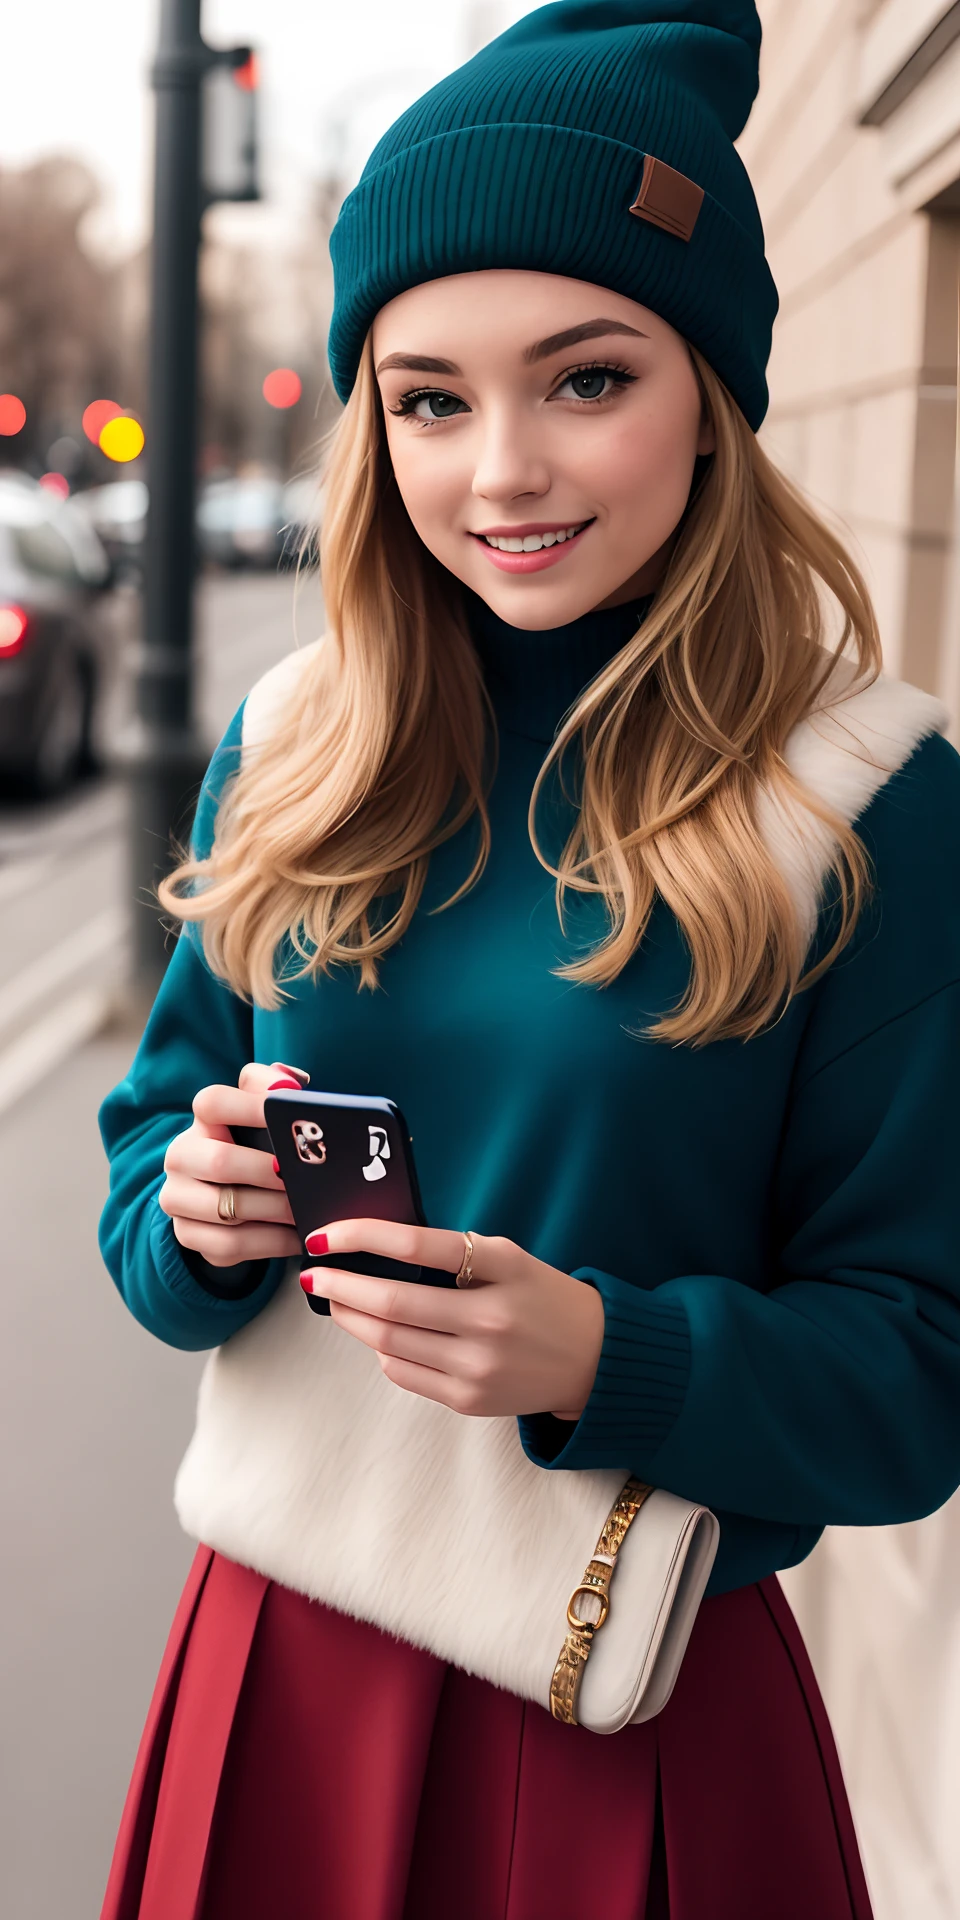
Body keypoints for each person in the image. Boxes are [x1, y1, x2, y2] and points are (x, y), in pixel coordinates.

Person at [97, 4, 960, 1917]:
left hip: (622, 1696)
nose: (503, 469)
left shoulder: (871, 796)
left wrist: (606, 1351)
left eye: (586, 378)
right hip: (281, 1639)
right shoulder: (295, 738)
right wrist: (199, 1210)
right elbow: (149, 1163)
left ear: (712, 388)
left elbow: (922, 1375)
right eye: (428, 397)